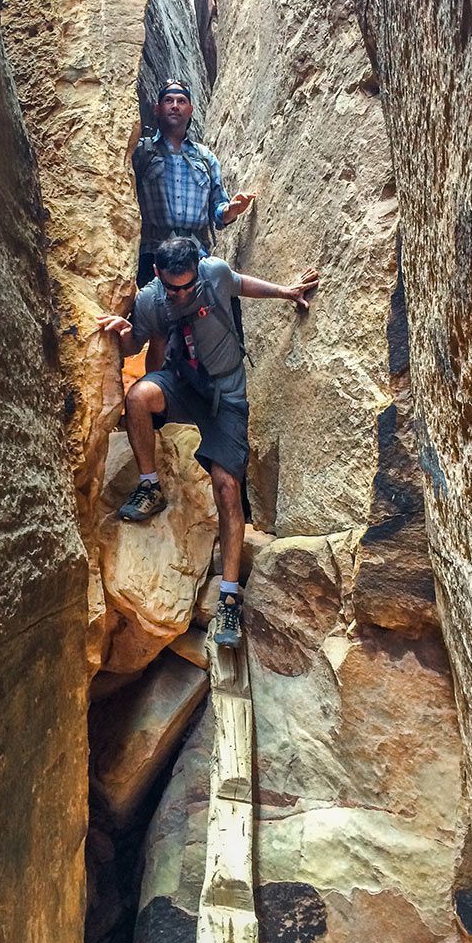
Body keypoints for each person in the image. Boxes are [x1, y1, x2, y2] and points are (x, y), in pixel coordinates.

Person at [97, 238, 318, 649]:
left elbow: (240, 283)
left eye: (186, 287)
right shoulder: (151, 299)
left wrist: (287, 292)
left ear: (197, 270)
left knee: (227, 488)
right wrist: (123, 334)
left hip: (226, 394)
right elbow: (134, 344)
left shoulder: (213, 273)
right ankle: (150, 485)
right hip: (183, 383)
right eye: (172, 287)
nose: (179, 295)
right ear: (160, 276)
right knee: (138, 397)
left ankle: (230, 597)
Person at [133, 79, 255, 369]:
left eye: (181, 101)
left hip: (194, 253)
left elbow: (218, 211)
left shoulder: (205, 158)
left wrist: (232, 210)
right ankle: (159, 393)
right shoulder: (141, 152)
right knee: (161, 326)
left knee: (215, 311)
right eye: (169, 100)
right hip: (153, 253)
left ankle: (216, 380)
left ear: (191, 109)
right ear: (157, 107)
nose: (175, 106)